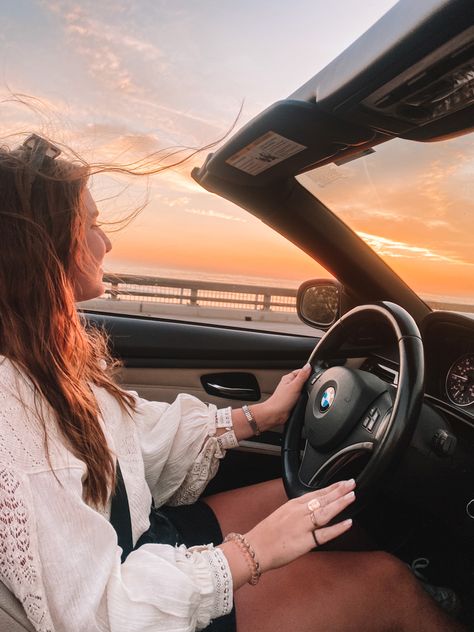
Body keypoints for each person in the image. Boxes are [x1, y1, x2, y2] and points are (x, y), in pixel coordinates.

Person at [0, 134, 465, 632]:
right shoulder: (12, 413)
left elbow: (130, 440)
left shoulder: (41, 363)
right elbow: (101, 615)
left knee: (329, 499)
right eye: (90, 224)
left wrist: (259, 415)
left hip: (143, 546)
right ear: (41, 250)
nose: (105, 241)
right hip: (136, 602)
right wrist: (255, 550)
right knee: (386, 582)